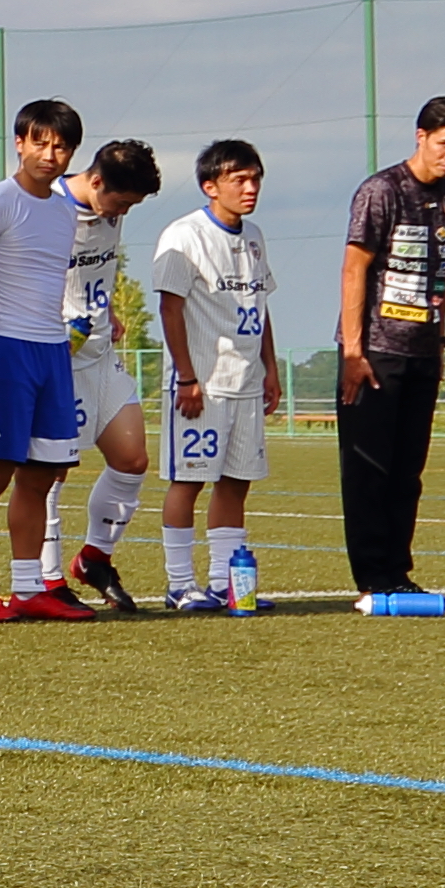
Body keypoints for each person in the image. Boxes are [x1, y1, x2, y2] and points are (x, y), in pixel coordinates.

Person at [339, 97, 445, 617]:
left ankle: (398, 574)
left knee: (407, 471)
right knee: (369, 469)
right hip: (376, 350)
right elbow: (355, 267)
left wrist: (439, 343)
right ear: (420, 136)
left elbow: (441, 275)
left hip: (423, 349)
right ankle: (373, 578)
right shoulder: (380, 191)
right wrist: (354, 350)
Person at [0, 98, 93, 623]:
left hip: (51, 350)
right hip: (4, 346)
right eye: (39, 142)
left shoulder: (66, 210)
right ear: (19, 143)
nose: (50, 153)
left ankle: (27, 587)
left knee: (44, 474)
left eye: (61, 145)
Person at [150, 139, 279, 614]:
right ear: (210, 186)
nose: (250, 188)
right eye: (238, 179)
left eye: (255, 178)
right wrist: (186, 375)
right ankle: (179, 584)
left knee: (236, 481)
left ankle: (227, 583)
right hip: (203, 384)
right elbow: (169, 307)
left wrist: (271, 368)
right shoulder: (184, 235)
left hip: (247, 380)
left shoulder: (254, 237)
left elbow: (261, 308)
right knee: (188, 480)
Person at [57, 137, 168, 613]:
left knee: (132, 459)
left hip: (100, 352)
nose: (119, 213)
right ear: (96, 181)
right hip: (56, 357)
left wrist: (104, 306)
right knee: (51, 472)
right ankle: (44, 580)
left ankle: (93, 558)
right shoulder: (47, 206)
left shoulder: (112, 211)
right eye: (120, 202)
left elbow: (92, 268)